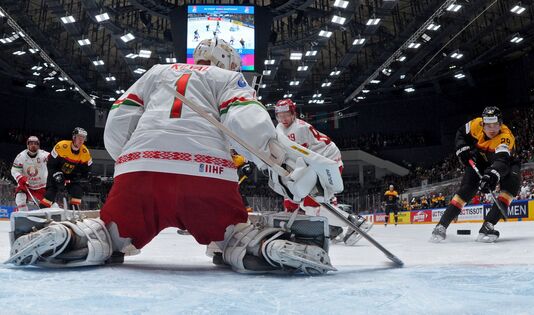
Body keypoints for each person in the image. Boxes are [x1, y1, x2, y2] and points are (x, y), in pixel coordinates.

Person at [8, 38, 342, 275]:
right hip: (208, 178)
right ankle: (260, 245)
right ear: (228, 63)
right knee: (230, 232)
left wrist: (131, 160)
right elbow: (246, 122)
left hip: (140, 174)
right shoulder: (229, 77)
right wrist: (279, 163)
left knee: (112, 232)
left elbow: (119, 118)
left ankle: (74, 237)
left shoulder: (156, 71)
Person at [274, 98, 371, 245]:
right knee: (314, 202)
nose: (283, 118)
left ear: (293, 114)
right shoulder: (283, 128)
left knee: (311, 204)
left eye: (286, 114)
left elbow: (302, 157)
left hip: (327, 163)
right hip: (320, 163)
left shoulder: (299, 129)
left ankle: (355, 222)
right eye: (280, 116)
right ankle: (333, 228)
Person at [431, 106, 521, 243]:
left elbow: (502, 161)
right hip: (480, 159)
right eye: (488, 125)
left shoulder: (505, 138)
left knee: (511, 186)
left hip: (506, 162)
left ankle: (488, 225)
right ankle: (441, 226)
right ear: (482, 124)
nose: (491, 129)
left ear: (501, 124)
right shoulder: (475, 124)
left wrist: (491, 176)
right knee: (466, 190)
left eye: (495, 125)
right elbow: (461, 132)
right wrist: (461, 147)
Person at [39, 128, 92, 210]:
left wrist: (87, 178)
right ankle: (42, 212)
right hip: (56, 172)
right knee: (49, 195)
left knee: (77, 191)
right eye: (79, 137)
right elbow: (50, 164)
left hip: (71, 177)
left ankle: (73, 213)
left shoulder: (85, 152)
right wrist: (56, 174)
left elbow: (87, 169)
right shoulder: (61, 146)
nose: (81, 140)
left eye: (83, 138)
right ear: (74, 137)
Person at [11, 136, 49, 211]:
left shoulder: (44, 155)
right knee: (20, 198)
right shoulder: (21, 156)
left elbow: (55, 163)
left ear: (38, 145)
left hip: (41, 186)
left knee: (51, 203)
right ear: (27, 145)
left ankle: (55, 215)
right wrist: (20, 178)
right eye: (31, 143)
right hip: (26, 185)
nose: (33, 145)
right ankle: (23, 216)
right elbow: (14, 170)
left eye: (35, 143)